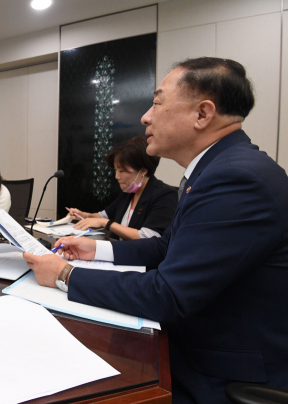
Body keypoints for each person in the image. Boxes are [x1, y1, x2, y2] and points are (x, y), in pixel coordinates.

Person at [23, 57, 288, 404]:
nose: (146, 116)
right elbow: (167, 248)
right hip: (200, 344)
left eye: (158, 102)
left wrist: (66, 275)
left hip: (219, 374)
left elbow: (169, 294)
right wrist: (96, 250)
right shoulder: (219, 168)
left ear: (202, 114)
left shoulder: (236, 179)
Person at [69, 136, 177, 240]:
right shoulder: (129, 193)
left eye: (122, 171)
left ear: (143, 170)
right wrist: (84, 215)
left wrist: (107, 223)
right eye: (115, 170)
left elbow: (148, 236)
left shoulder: (165, 195)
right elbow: (103, 215)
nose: (117, 176)